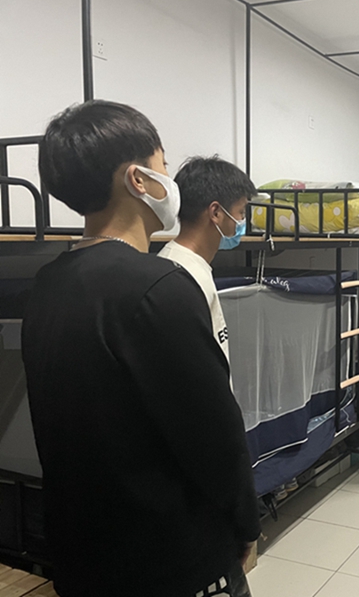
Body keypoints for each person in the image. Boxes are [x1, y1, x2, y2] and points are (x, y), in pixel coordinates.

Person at [22, 101, 260, 597]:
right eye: (162, 165)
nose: (169, 180)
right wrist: (245, 524)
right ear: (139, 180)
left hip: (85, 552)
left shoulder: (47, 283)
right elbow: (213, 435)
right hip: (169, 557)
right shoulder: (157, 286)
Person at [158, 156, 256, 362]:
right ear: (216, 213)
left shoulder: (189, 265)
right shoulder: (184, 276)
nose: (242, 221)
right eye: (241, 212)